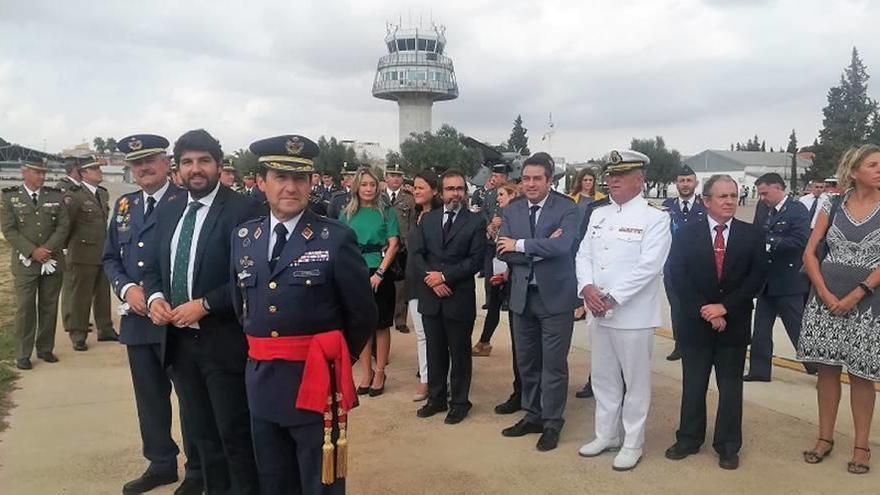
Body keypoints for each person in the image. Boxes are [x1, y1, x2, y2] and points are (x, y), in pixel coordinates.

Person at [232, 134, 376, 493]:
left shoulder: (334, 238)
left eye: (300, 179)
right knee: (274, 478)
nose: (291, 188)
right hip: (262, 380)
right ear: (261, 182)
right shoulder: (244, 236)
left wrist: (337, 359)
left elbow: (362, 313)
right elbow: (241, 306)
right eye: (280, 178)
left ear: (311, 183)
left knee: (320, 481)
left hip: (316, 381)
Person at [143, 129, 261, 494]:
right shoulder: (172, 209)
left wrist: (205, 305)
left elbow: (251, 274)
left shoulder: (244, 209)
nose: (196, 169)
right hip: (180, 344)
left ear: (218, 165)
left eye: (204, 161)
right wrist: (155, 298)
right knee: (201, 436)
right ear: (177, 168)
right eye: (188, 162)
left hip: (223, 342)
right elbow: (152, 267)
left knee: (234, 435)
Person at [102, 134, 203, 495]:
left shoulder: (185, 201)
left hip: (178, 321)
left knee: (191, 400)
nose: (143, 167)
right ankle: (161, 463)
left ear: (166, 163)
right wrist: (127, 288)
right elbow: (111, 258)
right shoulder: (126, 206)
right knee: (149, 398)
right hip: (138, 319)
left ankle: (198, 469)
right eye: (136, 163)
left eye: (151, 160)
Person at [575, 149, 671, 471]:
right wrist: (587, 289)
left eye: (620, 175)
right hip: (597, 310)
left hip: (632, 315)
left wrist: (611, 298)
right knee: (603, 379)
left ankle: (633, 442)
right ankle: (606, 434)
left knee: (635, 382)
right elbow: (582, 255)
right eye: (610, 175)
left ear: (639, 179)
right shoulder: (598, 215)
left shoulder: (655, 218)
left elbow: (649, 267)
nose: (612, 180)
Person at [664, 174, 766, 471]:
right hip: (695, 324)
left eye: (733, 196)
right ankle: (688, 438)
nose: (730, 202)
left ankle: (728, 445)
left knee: (731, 387)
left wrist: (724, 309)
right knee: (694, 385)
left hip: (733, 325)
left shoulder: (752, 234)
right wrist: (705, 310)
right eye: (722, 196)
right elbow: (678, 277)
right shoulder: (686, 234)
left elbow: (756, 279)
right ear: (706, 200)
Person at [798, 144, 880, 475]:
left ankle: (861, 447)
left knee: (862, 375)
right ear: (854, 170)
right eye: (873, 165)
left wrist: (859, 292)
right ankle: (824, 438)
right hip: (824, 302)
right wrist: (824, 292)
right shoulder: (830, 204)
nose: (879, 170)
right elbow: (810, 253)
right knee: (828, 371)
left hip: (869, 304)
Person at [495, 152, 580, 452]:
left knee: (553, 365)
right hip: (522, 298)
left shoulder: (567, 209)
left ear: (550, 180)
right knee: (527, 362)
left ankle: (552, 422)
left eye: (537, 179)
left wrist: (520, 244)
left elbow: (563, 245)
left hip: (555, 299)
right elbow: (501, 252)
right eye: (526, 178)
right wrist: (542, 248)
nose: (530, 184)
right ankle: (533, 415)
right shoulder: (513, 211)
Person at [410, 169, 486, 424]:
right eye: (450, 189)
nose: (455, 193)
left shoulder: (475, 221)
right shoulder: (428, 220)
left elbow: (475, 260)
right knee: (435, 351)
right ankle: (436, 398)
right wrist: (432, 279)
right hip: (431, 297)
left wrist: (444, 277)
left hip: (458, 296)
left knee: (459, 353)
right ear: (441, 193)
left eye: (460, 189)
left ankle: (460, 402)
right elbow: (417, 254)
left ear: (465, 192)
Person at [0, 160, 69, 370]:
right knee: (25, 309)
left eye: (43, 173)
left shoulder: (55, 196)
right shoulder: (10, 197)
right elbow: (9, 230)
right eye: (37, 173)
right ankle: (23, 353)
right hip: (25, 264)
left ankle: (45, 348)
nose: (41, 177)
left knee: (49, 307)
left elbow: (63, 225)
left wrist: (46, 249)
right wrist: (32, 251)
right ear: (24, 172)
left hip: (51, 261)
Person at [746, 172, 814, 381]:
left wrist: (771, 241)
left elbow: (800, 241)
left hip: (788, 280)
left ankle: (817, 366)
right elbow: (756, 234)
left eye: (765, 193)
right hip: (767, 280)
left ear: (778, 188)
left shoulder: (796, 210)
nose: (762, 198)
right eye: (760, 194)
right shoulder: (763, 208)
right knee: (761, 330)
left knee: (797, 328)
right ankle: (759, 371)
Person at [339, 168, 400, 398]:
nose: (368, 189)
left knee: (381, 324)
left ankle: (380, 372)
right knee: (361, 324)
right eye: (364, 184)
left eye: (372, 185)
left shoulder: (387, 212)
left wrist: (381, 273)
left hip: (379, 270)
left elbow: (393, 244)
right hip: (355, 271)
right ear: (357, 186)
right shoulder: (346, 213)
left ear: (378, 187)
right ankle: (366, 372)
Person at [63, 156, 118, 350]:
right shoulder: (74, 195)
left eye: (98, 168)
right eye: (94, 169)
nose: (99, 171)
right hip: (82, 252)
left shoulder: (102, 194)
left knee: (103, 293)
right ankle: (78, 334)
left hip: (102, 251)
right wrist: (66, 247)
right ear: (84, 173)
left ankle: (105, 329)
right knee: (81, 296)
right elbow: (66, 224)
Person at [662, 165, 706, 361]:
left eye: (689, 180)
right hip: (673, 266)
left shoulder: (704, 207)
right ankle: (679, 345)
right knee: (677, 308)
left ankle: (698, 344)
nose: (685, 184)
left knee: (699, 306)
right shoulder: (666, 206)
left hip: (698, 266)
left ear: (695, 183)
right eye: (682, 180)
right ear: (676, 183)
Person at [406, 171, 442, 402]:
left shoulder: (441, 217)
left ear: (434, 191)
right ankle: (426, 379)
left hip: (434, 280)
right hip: (414, 281)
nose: (416, 191)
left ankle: (439, 377)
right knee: (421, 334)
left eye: (421, 187)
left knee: (437, 334)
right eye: (415, 188)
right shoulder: (414, 215)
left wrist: (433, 278)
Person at [473, 181, 519, 357]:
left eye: (501, 195)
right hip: (498, 267)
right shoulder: (500, 215)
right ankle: (484, 341)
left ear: (512, 196)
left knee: (511, 312)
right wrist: (492, 228)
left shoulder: (516, 217)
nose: (498, 198)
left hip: (509, 271)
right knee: (493, 305)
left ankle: (516, 349)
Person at [385, 163, 416, 334]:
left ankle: (400, 319)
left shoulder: (409, 199)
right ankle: (385, 316)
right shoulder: (379, 197)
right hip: (382, 247)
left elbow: (411, 226)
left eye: (399, 175)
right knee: (383, 283)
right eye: (392, 175)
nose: (396, 178)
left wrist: (410, 248)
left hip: (402, 248)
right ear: (386, 177)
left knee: (401, 286)